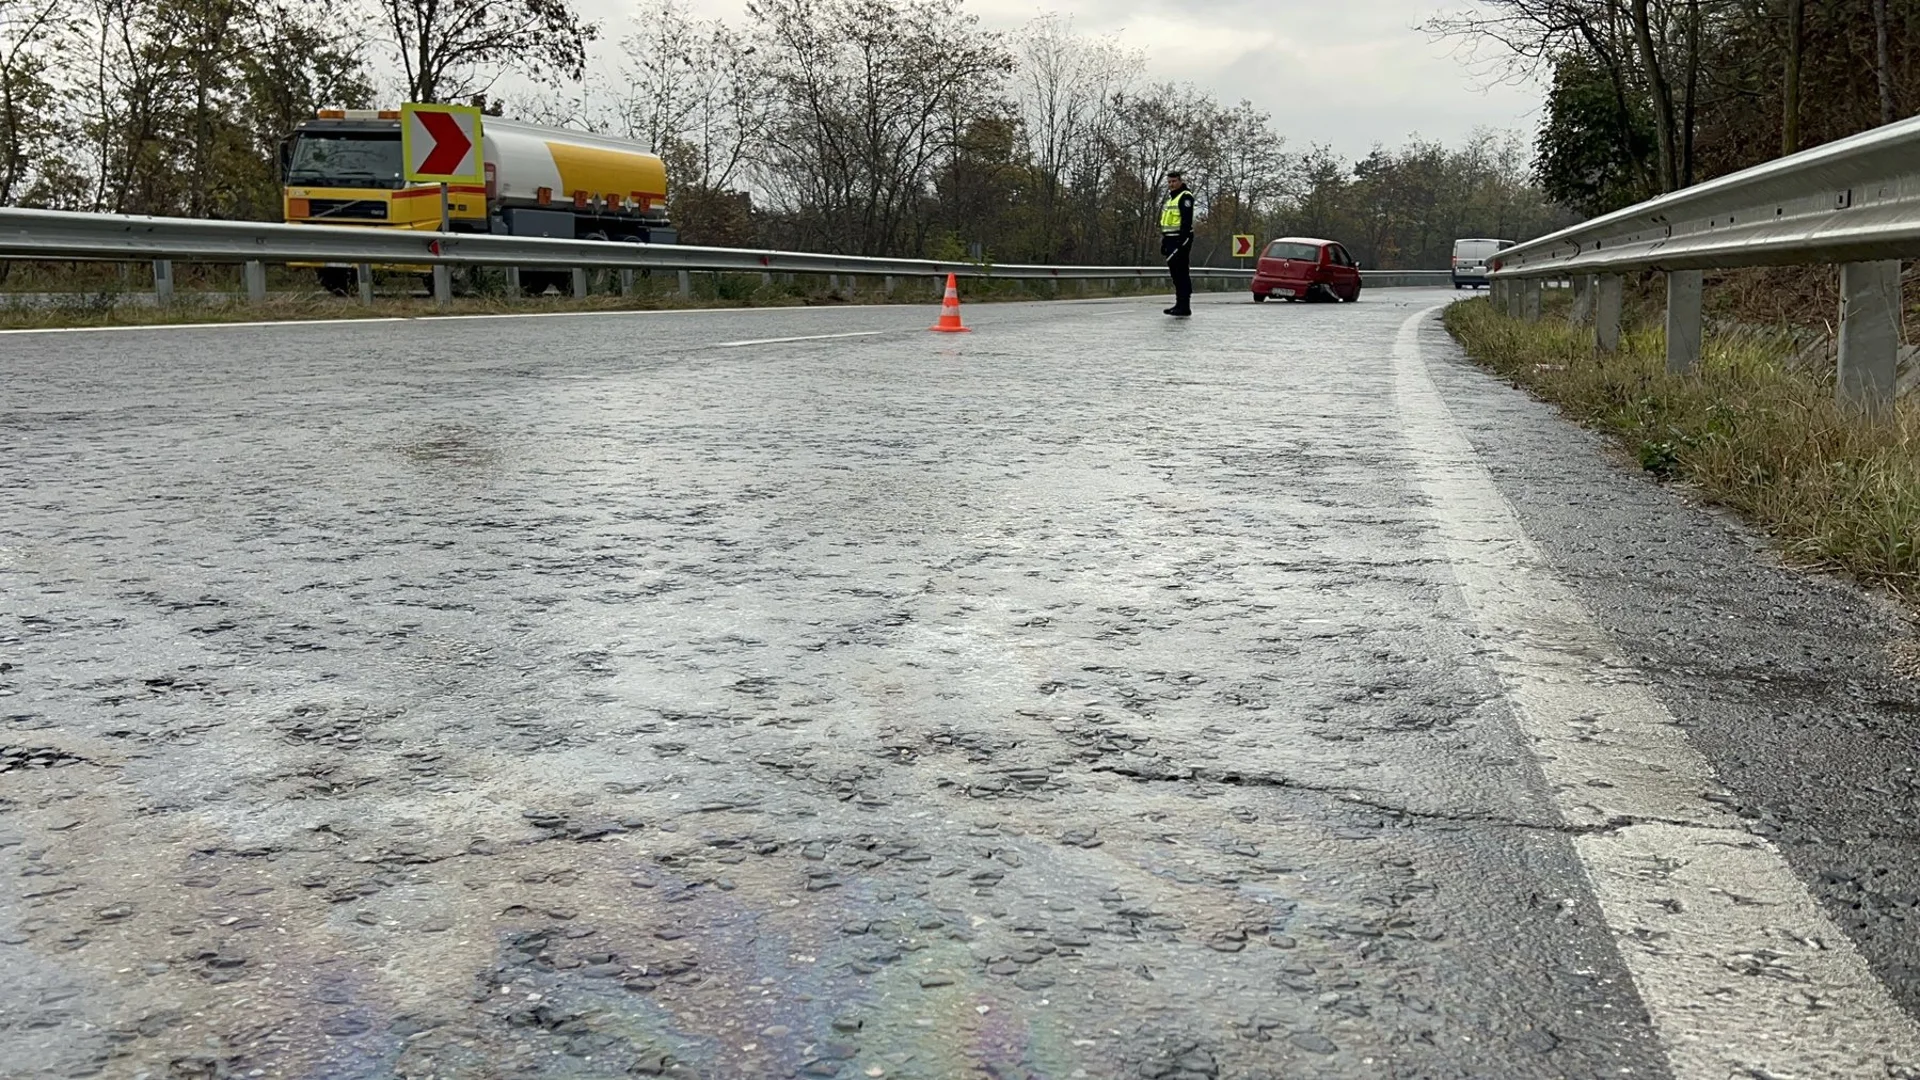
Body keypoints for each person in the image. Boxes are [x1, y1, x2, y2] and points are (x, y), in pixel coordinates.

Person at [1160, 170, 1196, 318]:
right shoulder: (1171, 199)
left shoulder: (1185, 197)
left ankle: (1185, 305)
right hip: (1170, 238)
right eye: (1169, 182)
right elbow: (1167, 223)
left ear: (1180, 181)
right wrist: (1164, 241)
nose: (1171, 184)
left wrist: (1181, 242)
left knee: (1181, 273)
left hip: (1180, 240)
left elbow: (1186, 222)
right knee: (1175, 274)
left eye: (1174, 181)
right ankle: (1178, 304)